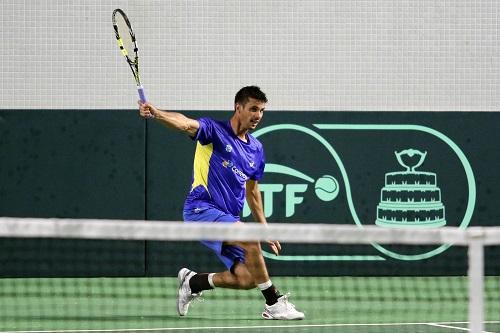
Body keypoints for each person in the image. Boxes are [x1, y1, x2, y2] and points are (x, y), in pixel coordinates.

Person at [138, 86, 304, 320]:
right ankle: (274, 303)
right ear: (238, 108)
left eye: (262, 110)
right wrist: (157, 113)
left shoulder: (256, 149)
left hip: (229, 218)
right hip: (201, 209)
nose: (258, 115)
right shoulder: (214, 131)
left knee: (247, 278)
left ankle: (193, 282)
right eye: (253, 109)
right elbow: (185, 123)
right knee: (249, 238)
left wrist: (265, 227)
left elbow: (253, 192)